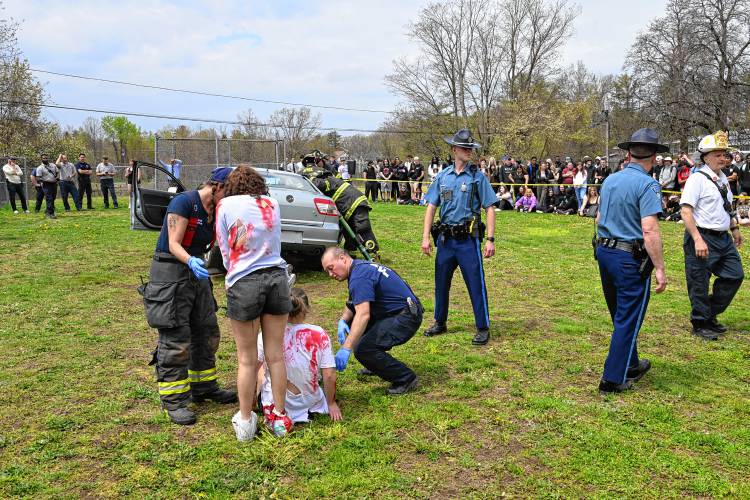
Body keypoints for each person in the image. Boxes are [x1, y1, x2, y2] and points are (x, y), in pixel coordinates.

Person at [138, 167, 237, 426]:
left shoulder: (217, 210)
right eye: (228, 191)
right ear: (216, 186)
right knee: (176, 337)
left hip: (197, 274)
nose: (229, 197)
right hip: (171, 272)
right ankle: (174, 401)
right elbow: (173, 243)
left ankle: (204, 387)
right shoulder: (184, 202)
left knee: (206, 330)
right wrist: (191, 261)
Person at [215, 165, 294, 440]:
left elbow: (225, 247)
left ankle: (246, 422)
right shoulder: (271, 202)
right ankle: (280, 418)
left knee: (247, 359)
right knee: (275, 355)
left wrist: (231, 272)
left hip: (244, 281)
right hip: (276, 278)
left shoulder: (225, 204)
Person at [595, 128, 668, 393]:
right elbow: (649, 229)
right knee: (628, 317)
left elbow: (599, 218)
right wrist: (659, 268)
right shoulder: (648, 184)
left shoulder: (610, 180)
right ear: (655, 157)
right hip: (628, 258)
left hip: (605, 251)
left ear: (628, 154)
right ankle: (612, 379)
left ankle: (632, 363)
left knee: (620, 313)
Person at [421, 129, 497, 346]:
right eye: (464, 148)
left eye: (471, 148)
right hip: (446, 240)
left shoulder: (477, 177)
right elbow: (431, 206)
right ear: (454, 149)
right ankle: (440, 321)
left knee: (475, 283)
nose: (468, 152)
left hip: (467, 241)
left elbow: (490, 207)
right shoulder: (443, 177)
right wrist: (426, 237)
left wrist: (490, 239)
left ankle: (482, 327)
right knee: (441, 283)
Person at [322, 247, 423, 395]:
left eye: (331, 268)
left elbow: (363, 315)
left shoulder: (359, 277)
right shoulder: (360, 268)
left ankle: (406, 378)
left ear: (343, 258)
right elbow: (353, 303)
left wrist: (346, 348)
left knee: (363, 349)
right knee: (351, 325)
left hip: (405, 318)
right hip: (401, 311)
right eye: (327, 272)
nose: (331, 274)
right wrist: (343, 320)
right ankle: (375, 363)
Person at [680, 131, 744, 340]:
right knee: (699, 280)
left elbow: (726, 207)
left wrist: (734, 228)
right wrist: (697, 238)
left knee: (735, 275)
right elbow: (686, 211)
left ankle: (709, 313)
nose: (723, 158)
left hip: (723, 238)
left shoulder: (723, 178)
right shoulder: (697, 179)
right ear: (705, 156)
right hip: (702, 236)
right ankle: (700, 322)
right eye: (717, 154)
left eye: (724, 154)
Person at [257, 288, 342, 424]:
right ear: (307, 309)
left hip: (273, 405)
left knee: (261, 366)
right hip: (310, 402)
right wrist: (331, 403)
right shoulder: (319, 334)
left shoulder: (267, 335)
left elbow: (252, 369)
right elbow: (329, 374)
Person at [312, 171, 379, 257]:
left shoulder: (327, 180)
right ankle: (349, 251)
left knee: (362, 228)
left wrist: (310, 180)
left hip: (355, 203)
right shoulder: (333, 179)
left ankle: (373, 251)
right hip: (351, 204)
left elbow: (319, 185)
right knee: (348, 230)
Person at [36, 154, 60, 219]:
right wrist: (45, 181)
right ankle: (51, 214)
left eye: (46, 158)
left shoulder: (53, 165)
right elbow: (38, 178)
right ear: (41, 159)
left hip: (54, 184)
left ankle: (47, 211)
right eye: (44, 158)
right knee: (49, 198)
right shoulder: (40, 168)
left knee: (53, 198)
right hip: (46, 185)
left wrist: (57, 178)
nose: (45, 159)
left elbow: (57, 172)